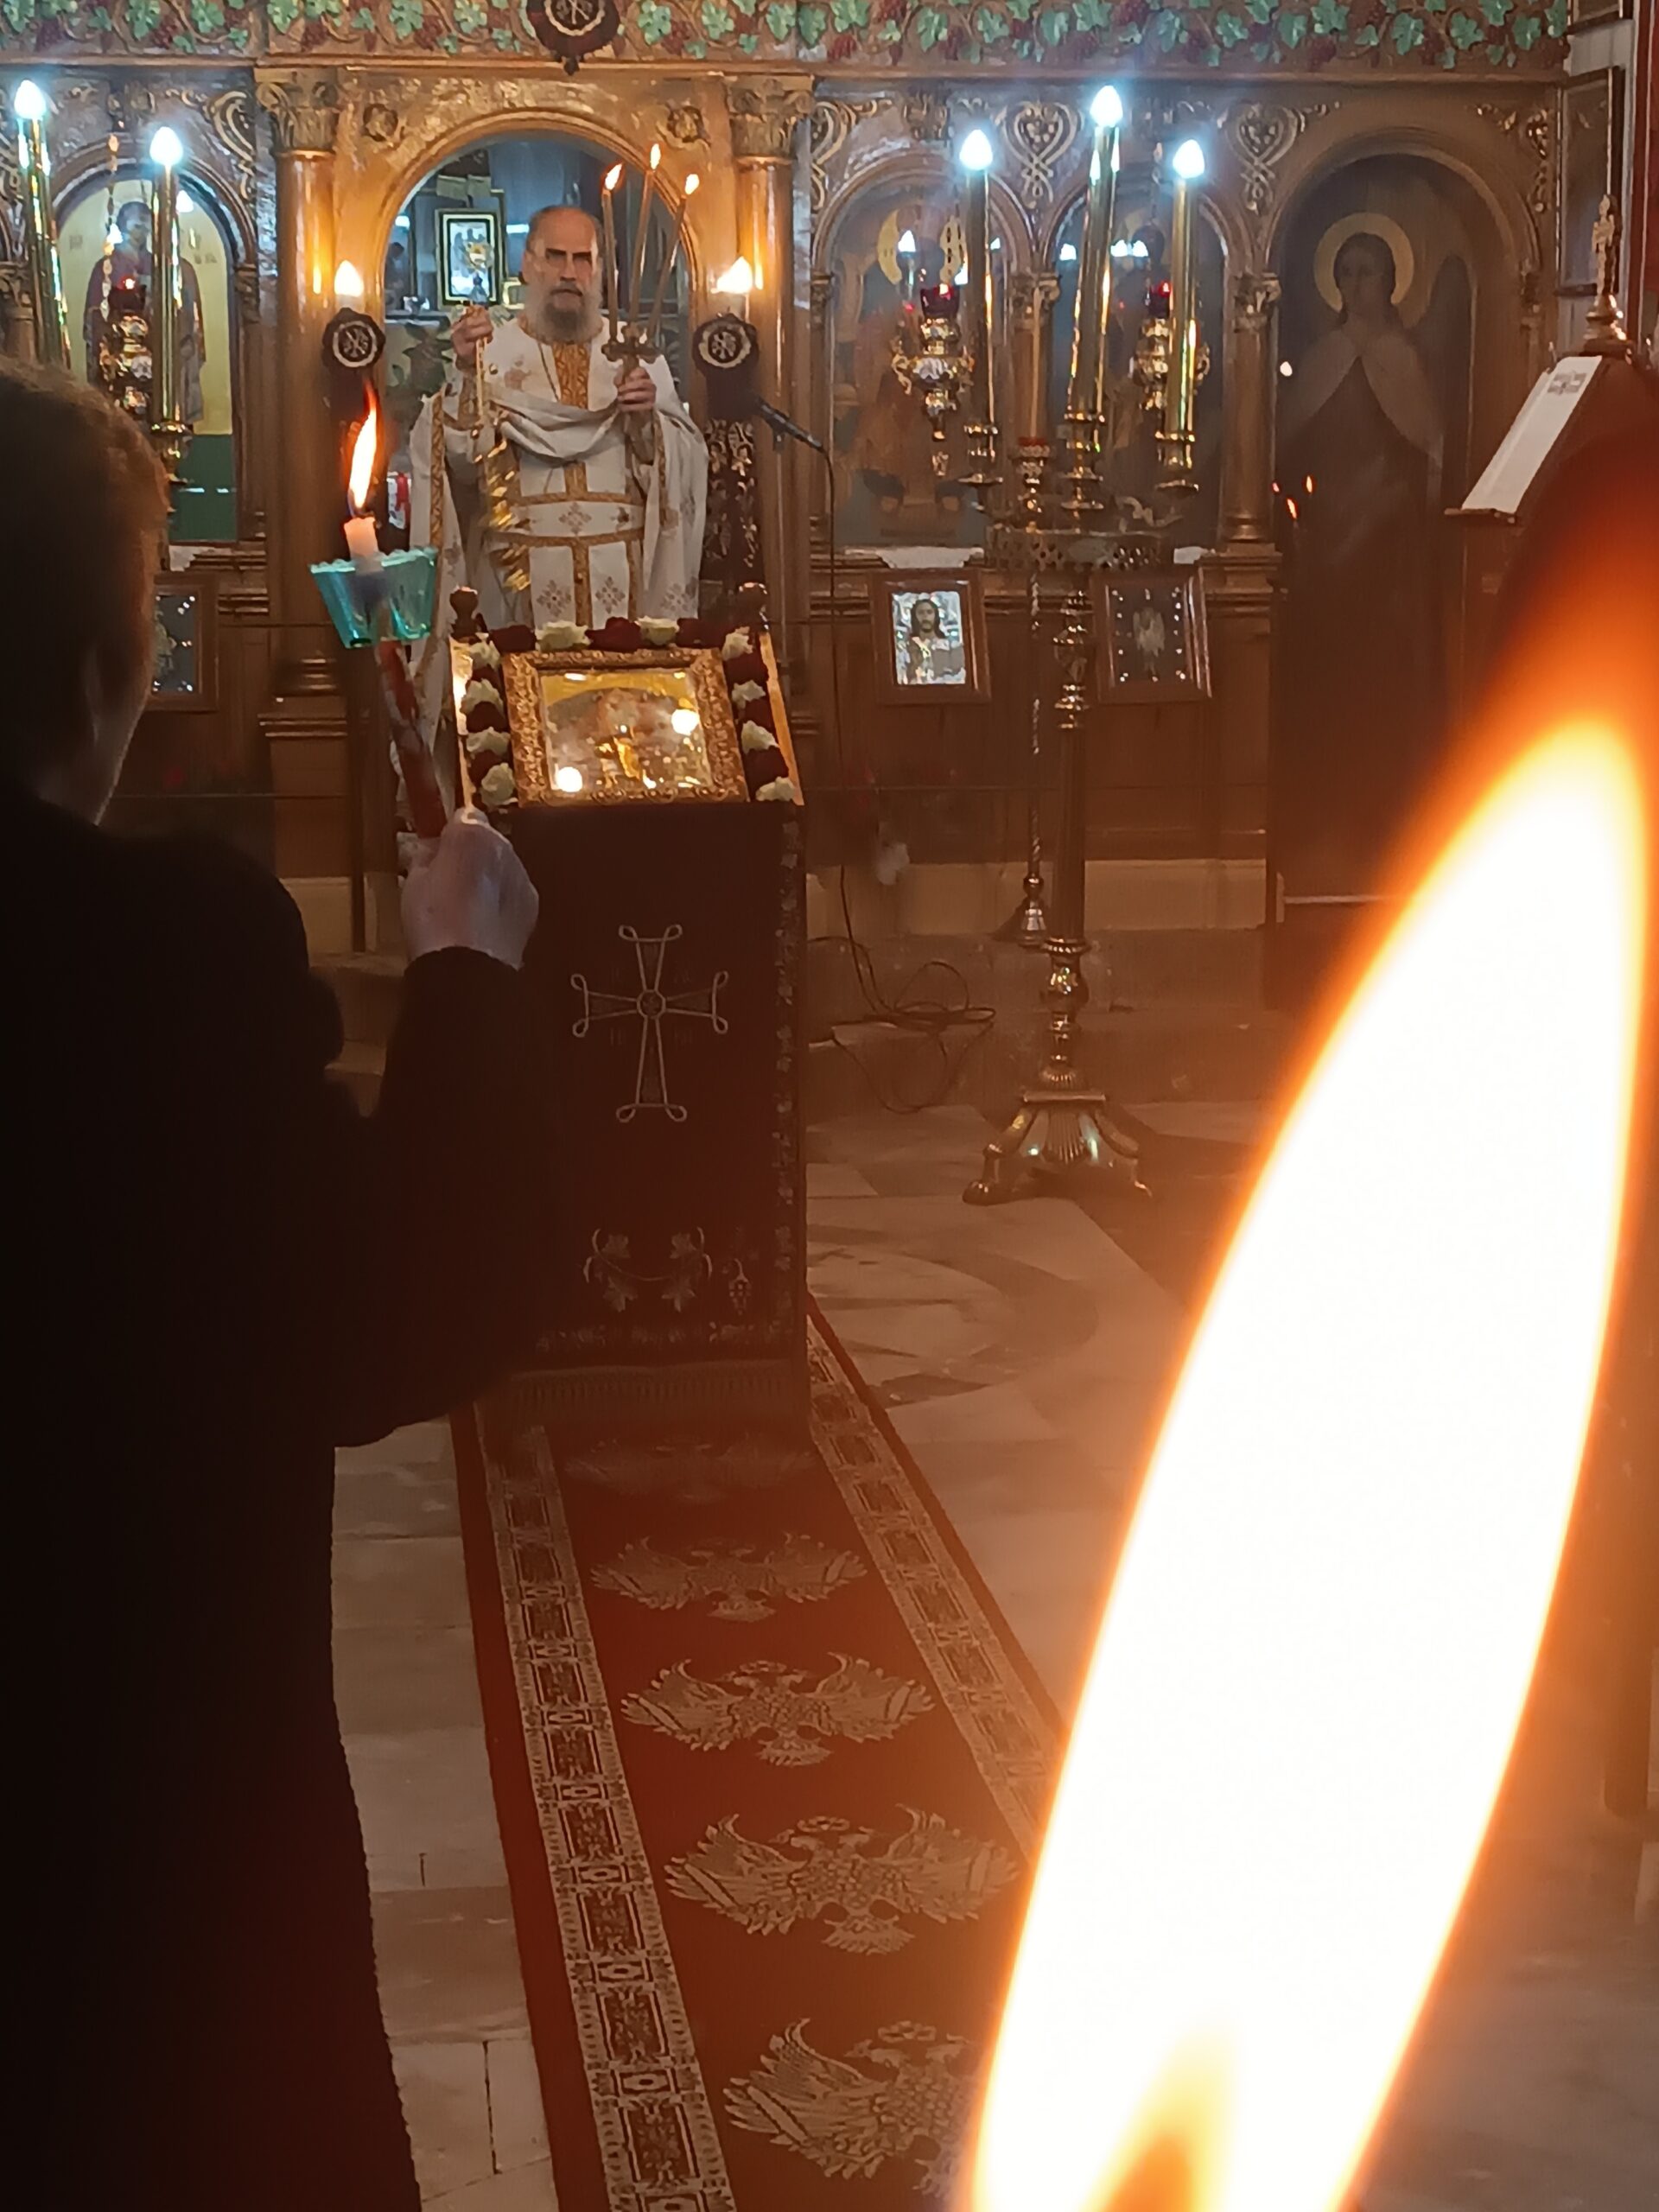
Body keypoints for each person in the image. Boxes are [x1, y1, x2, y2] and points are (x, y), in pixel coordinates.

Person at [2, 359, 552, 2210]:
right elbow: (406, 1308)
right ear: (112, 668)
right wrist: (464, 974)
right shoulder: (160, 964)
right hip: (147, 1873)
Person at [413, 202, 707, 634]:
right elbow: (460, 461)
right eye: (555, 257)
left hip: (621, 580)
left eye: (583, 259)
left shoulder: (635, 353)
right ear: (527, 264)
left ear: (600, 271)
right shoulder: (490, 354)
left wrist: (648, 425)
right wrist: (465, 375)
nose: (569, 273)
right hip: (519, 581)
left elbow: (683, 463)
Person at [1277, 229, 1447, 890]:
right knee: (1326, 688)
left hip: (1386, 556)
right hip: (1324, 548)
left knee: (1380, 694)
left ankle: (1383, 822)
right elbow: (1290, 448)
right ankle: (1324, 819)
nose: (1355, 283)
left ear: (1391, 282)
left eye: (1367, 271)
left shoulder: (1404, 361)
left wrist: (1388, 507)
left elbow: (1426, 452)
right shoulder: (1321, 359)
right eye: (1345, 271)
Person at [84, 196, 207, 424]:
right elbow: (96, 320)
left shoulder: (170, 268)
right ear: (122, 226)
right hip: (122, 363)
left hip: (161, 362)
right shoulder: (106, 268)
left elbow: (186, 323)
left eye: (145, 226)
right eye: (135, 226)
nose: (140, 233)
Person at [899, 594, 964, 684]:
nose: (925, 616)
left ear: (935, 616)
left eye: (929, 612)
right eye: (921, 613)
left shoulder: (951, 647)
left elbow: (960, 677)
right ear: (915, 617)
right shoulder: (906, 649)